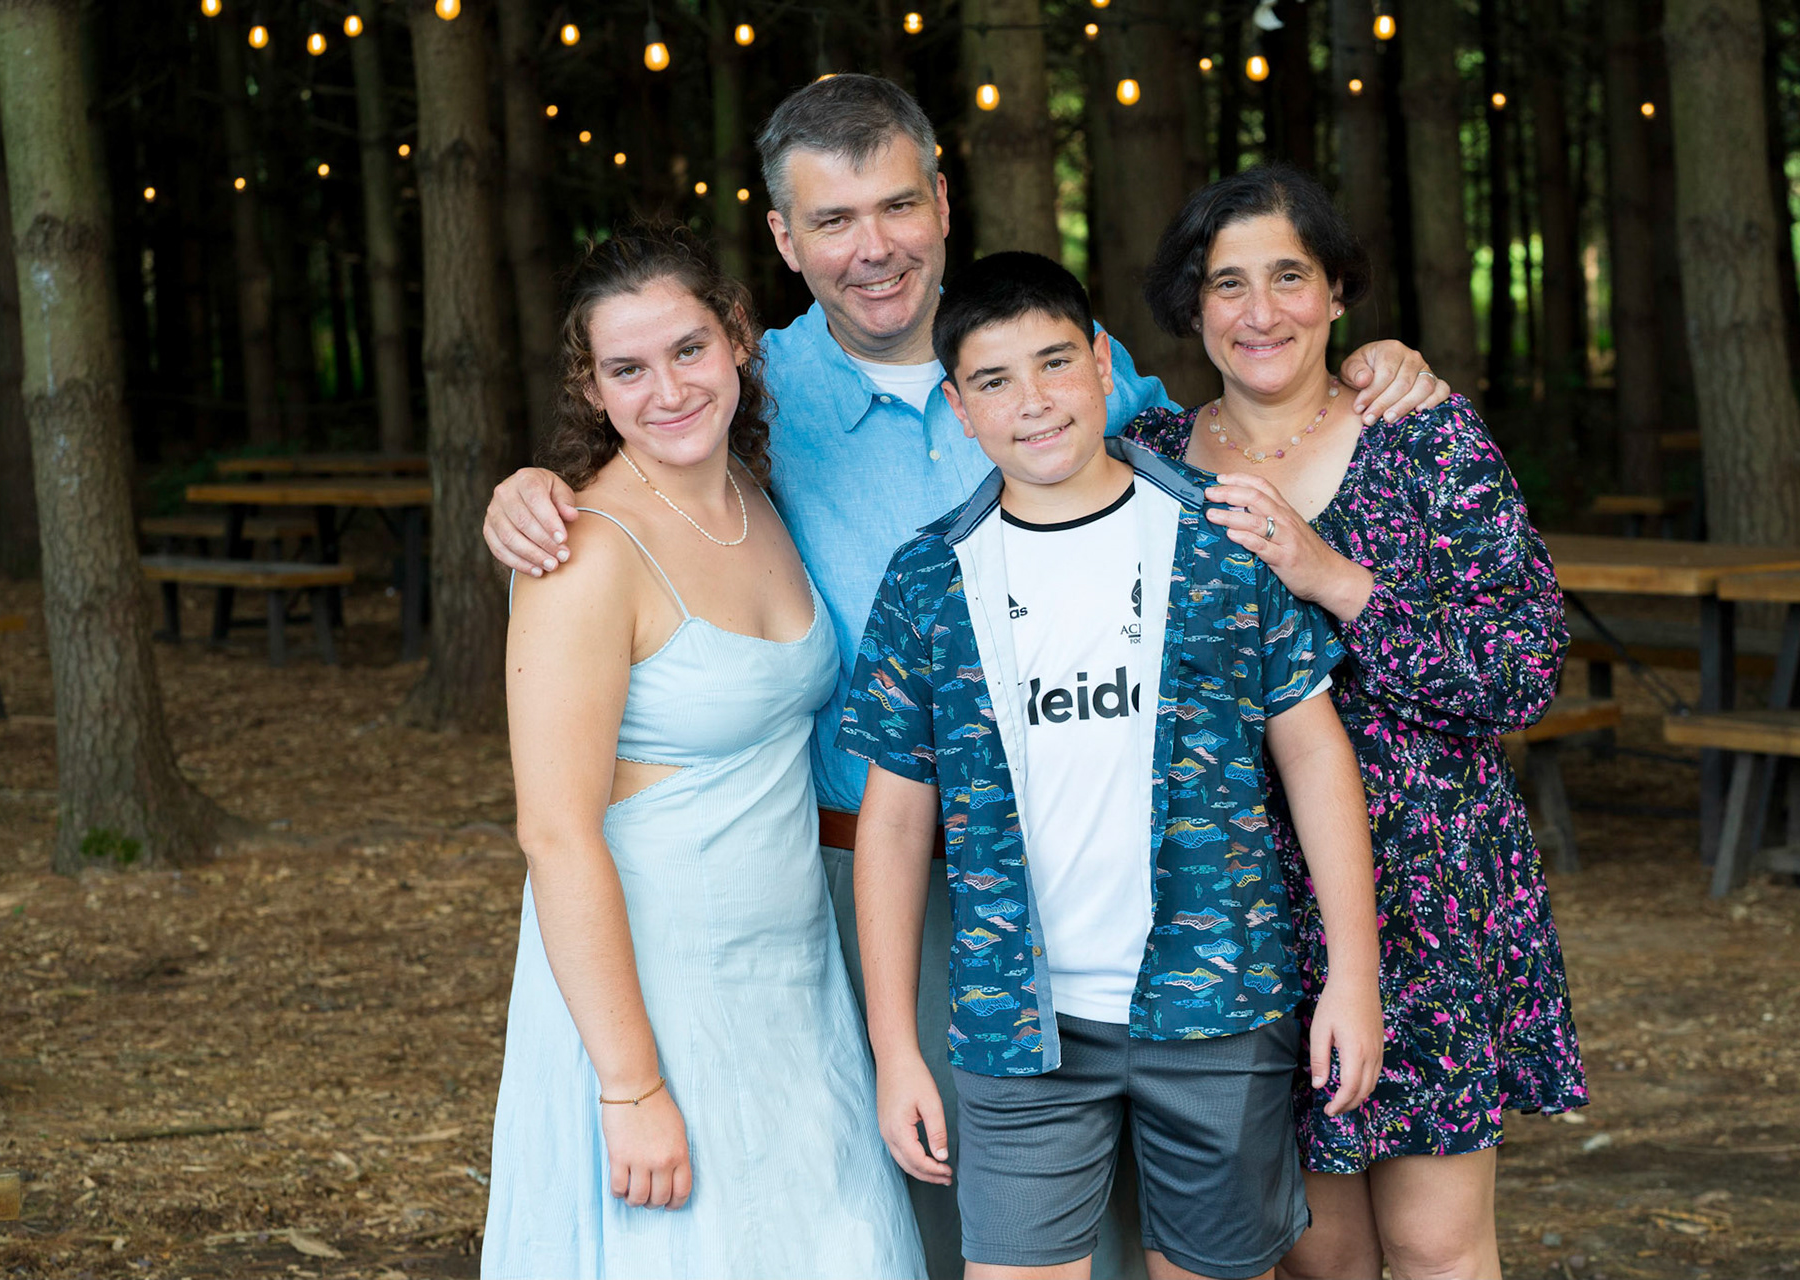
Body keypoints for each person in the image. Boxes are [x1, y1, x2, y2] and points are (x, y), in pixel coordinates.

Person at [480, 75, 1453, 1280]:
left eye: (896, 204)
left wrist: (1363, 369)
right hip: (861, 874)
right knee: (927, 1211)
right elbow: (646, 423)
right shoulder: (753, 394)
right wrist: (533, 491)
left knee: (1138, 1223)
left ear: (944, 202)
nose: (872, 245)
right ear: (782, 241)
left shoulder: (1057, 364)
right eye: (830, 221)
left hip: (1128, 885)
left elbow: (1229, 420)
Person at [839, 250, 1383, 1280]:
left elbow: (1314, 753)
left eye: (1054, 363)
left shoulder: (1220, 536)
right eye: (994, 381)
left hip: (1218, 1002)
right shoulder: (929, 579)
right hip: (1017, 1020)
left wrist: (1352, 974)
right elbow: (898, 820)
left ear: (1100, 364)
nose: (1033, 402)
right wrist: (894, 1045)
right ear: (958, 407)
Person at [1122, 164, 1589, 1280]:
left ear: (1338, 292)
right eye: (1226, 284)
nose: (1260, 310)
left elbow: (1523, 671)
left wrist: (1336, 578)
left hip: (1423, 884)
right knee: (1314, 1252)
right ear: (1194, 310)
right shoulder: (1144, 458)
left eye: (1289, 276)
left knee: (1434, 1241)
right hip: (1244, 904)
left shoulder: (1427, 439)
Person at [483, 223, 925, 1279]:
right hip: (654, 982)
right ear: (592, 388)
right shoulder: (581, 553)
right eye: (626, 368)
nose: (667, 389)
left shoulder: (757, 499)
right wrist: (630, 1085)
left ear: (737, 338)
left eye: (688, 348)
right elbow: (553, 831)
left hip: (791, 975)